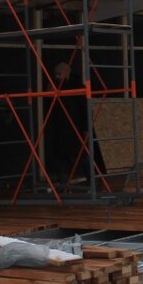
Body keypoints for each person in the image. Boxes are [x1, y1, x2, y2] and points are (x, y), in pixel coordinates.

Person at [45, 61, 106, 189]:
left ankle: (92, 180)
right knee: (62, 155)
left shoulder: (77, 87)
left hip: (75, 126)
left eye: (59, 74)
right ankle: (63, 183)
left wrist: (86, 127)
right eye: (55, 74)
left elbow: (85, 109)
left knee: (82, 154)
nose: (57, 77)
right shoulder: (57, 87)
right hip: (61, 127)